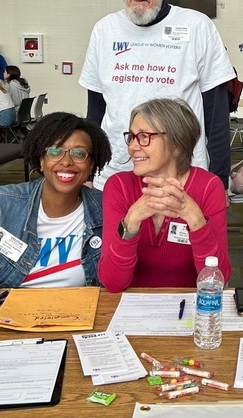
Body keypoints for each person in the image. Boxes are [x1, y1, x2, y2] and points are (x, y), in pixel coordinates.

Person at [80, 0, 235, 190]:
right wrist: (89, 170)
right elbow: (95, 111)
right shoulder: (104, 30)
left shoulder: (197, 26)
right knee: (119, 230)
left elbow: (216, 114)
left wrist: (219, 180)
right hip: (115, 172)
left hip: (181, 173)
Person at [0, 112, 110, 285]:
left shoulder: (106, 210)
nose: (66, 161)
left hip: (75, 312)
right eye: (55, 151)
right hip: (0, 311)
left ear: (91, 163)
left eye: (79, 154)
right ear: (41, 159)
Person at [98, 98, 231, 292]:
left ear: (177, 144)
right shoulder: (119, 186)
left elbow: (218, 281)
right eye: (132, 137)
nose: (133, 147)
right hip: (132, 309)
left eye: (144, 137)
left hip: (190, 308)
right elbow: (112, 282)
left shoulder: (208, 186)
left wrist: (196, 220)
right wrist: (131, 221)